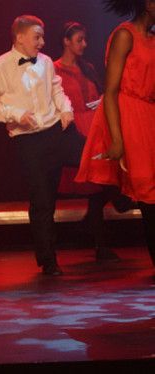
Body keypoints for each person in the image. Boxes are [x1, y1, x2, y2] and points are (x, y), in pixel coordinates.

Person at [0, 15, 81, 276]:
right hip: (29, 140)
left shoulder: (46, 62)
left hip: (56, 131)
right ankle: (48, 260)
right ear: (20, 37)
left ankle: (124, 196)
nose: (42, 42)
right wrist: (15, 114)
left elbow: (56, 89)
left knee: (93, 156)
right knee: (43, 200)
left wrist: (66, 109)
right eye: (37, 37)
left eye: (42, 36)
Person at [76, 0, 155, 267]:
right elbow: (110, 91)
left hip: (149, 114)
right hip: (129, 115)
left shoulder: (152, 39)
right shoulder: (124, 34)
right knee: (148, 191)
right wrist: (118, 140)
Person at [54, 21, 122, 262]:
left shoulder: (88, 68)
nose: (84, 44)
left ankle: (98, 242)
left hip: (97, 129)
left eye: (84, 39)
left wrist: (102, 100)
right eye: (79, 39)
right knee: (96, 184)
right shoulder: (53, 70)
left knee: (101, 187)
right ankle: (97, 242)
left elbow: (104, 93)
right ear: (66, 41)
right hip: (75, 132)